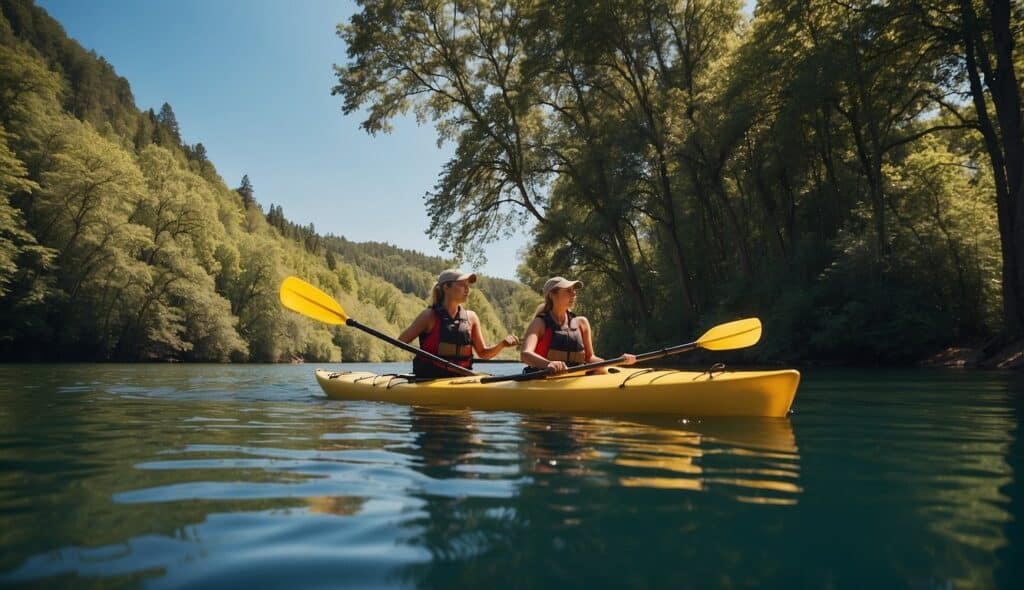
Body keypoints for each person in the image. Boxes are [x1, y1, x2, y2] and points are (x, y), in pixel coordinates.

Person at [398, 269, 520, 378]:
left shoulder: (471, 317)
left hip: (461, 378)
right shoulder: (428, 316)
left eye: (468, 285)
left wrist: (502, 345)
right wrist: (426, 356)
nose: (467, 289)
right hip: (429, 378)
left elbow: (483, 353)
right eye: (462, 285)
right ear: (446, 287)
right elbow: (401, 341)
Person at [520, 276, 636, 374]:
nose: (574, 293)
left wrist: (617, 361)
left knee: (602, 370)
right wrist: (549, 364)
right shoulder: (540, 323)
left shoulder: (582, 323)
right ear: (552, 295)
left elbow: (590, 358)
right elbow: (525, 355)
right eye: (568, 290)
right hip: (546, 379)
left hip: (575, 378)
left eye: (573, 290)